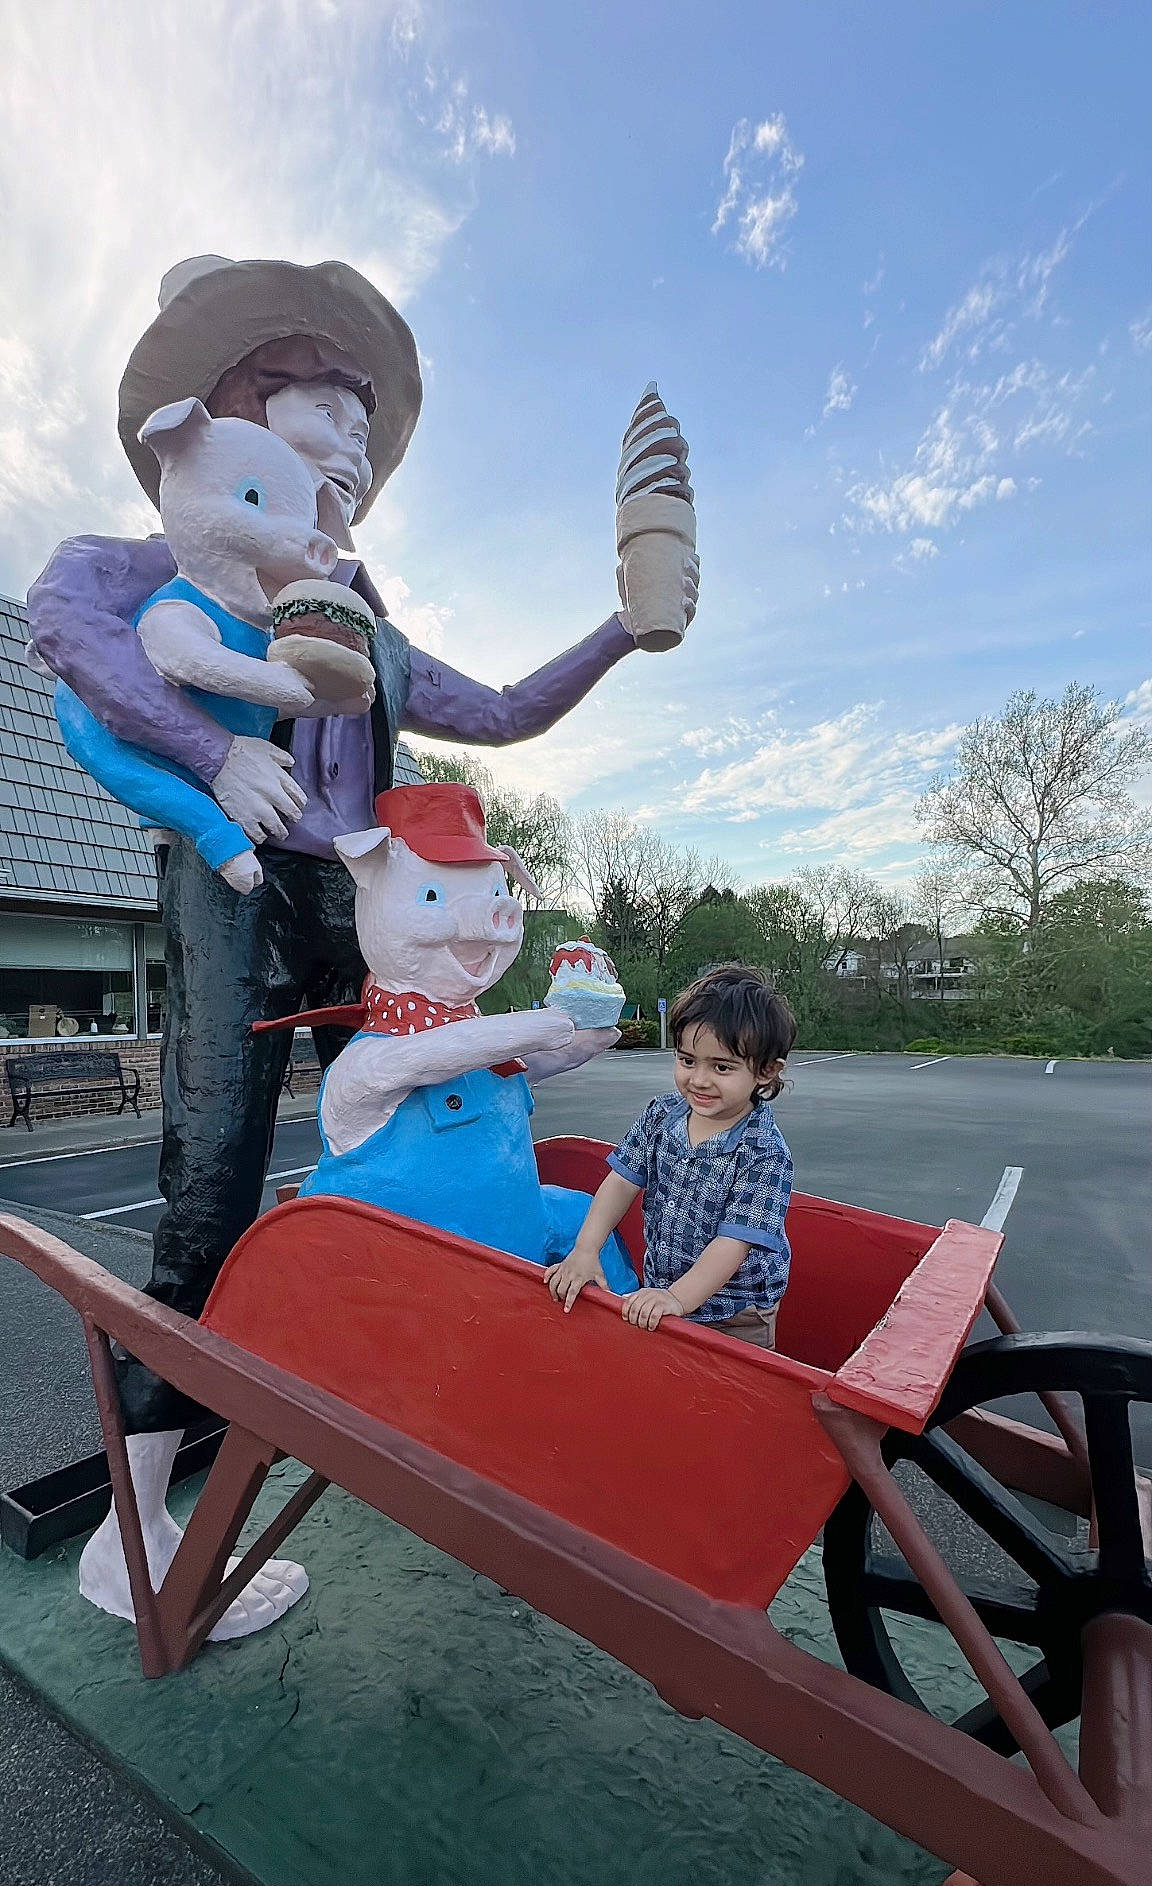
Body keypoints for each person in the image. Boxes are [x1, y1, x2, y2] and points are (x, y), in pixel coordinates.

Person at [25, 254, 700, 1427]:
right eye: (325, 410)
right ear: (240, 407)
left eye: (362, 428)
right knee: (213, 1171)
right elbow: (68, 633)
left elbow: (504, 710)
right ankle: (156, 1444)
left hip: (365, 899)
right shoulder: (162, 571)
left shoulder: (369, 629)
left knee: (420, 1131)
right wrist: (212, 756)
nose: (353, 446)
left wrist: (619, 631)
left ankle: (396, 1375)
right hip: (237, 879)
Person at [545, 966, 796, 1346]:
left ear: (765, 1071)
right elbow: (620, 1183)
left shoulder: (764, 1153)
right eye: (688, 1060)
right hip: (662, 1288)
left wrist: (678, 1298)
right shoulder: (662, 1115)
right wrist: (585, 1249)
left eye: (722, 1067)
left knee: (730, 1382)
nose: (699, 1080)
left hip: (734, 1313)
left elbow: (733, 1244)